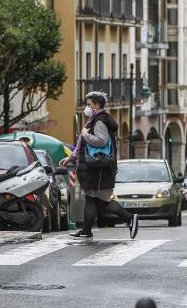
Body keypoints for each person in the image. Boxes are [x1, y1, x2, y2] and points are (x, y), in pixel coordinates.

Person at [60, 91, 139, 240]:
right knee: (92, 199)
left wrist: (85, 135)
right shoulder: (94, 120)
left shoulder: (99, 122)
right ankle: (86, 231)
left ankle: (129, 218)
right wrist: (70, 157)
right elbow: (82, 147)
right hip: (95, 168)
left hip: (99, 168)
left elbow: (101, 141)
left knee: (103, 201)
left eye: (89, 104)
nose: (87, 107)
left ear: (96, 105)